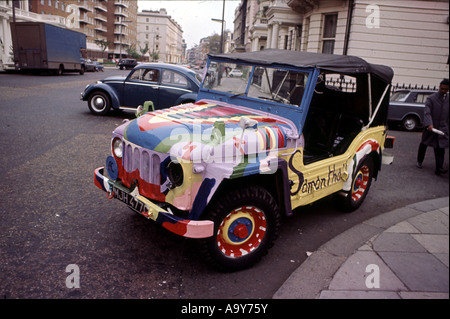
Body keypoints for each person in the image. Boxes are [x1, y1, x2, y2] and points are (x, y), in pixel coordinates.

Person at [416, 78, 449, 176]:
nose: (443, 91)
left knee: (440, 148)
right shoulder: (431, 98)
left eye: (446, 89)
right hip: (431, 127)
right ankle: (419, 161)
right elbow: (427, 112)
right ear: (439, 87)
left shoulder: (448, 99)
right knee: (424, 144)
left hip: (442, 128)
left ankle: (439, 168)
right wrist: (429, 124)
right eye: (442, 89)